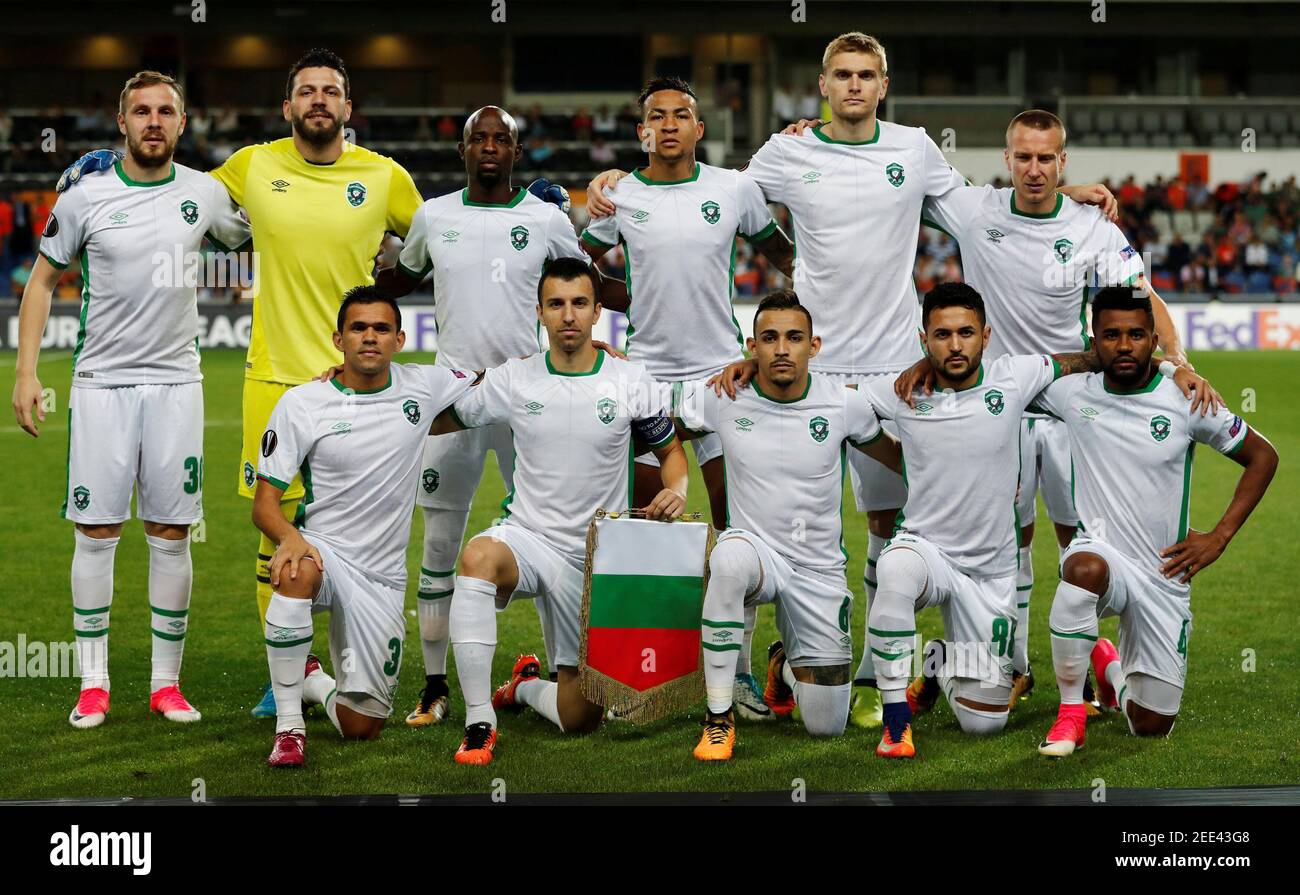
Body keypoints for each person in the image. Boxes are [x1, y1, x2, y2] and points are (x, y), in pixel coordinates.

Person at [597, 33, 1117, 730]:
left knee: (895, 522)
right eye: (842, 74)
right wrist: (615, 185)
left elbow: (977, 209)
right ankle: (757, 669)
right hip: (805, 372)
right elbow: (707, 201)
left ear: (883, 84)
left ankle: (886, 670)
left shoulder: (914, 149)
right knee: (766, 527)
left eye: (866, 75)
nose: (853, 85)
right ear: (822, 84)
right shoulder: (785, 153)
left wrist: (1063, 191)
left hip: (894, 372)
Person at [55, 49, 428, 721]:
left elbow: (434, 246)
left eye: (331, 91)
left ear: (349, 108)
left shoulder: (385, 176)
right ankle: (289, 671)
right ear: (287, 107)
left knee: (362, 528)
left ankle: (356, 661)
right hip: (273, 383)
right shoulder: (251, 166)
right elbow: (168, 188)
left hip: (360, 386)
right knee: (274, 537)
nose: (319, 100)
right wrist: (94, 178)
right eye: (306, 91)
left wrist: (390, 284)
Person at [918, 109, 1195, 703]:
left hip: (1072, 409)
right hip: (997, 408)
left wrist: (1179, 360)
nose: (1035, 168)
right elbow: (897, 183)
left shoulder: (1091, 228)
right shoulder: (976, 210)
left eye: (1047, 159)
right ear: (1007, 159)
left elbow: (1142, 298)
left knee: (1085, 545)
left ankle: (1100, 661)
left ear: (1063, 160)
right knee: (1004, 544)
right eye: (1024, 158)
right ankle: (1011, 664)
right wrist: (814, 130)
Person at [863, 283, 1210, 759]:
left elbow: (1096, 358)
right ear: (924, 339)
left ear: (986, 336)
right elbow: (829, 405)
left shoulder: (1016, 376)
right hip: (925, 548)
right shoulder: (903, 390)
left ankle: (943, 660)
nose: (956, 344)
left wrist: (1175, 367)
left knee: (984, 724)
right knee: (895, 569)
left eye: (966, 332)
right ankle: (895, 723)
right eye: (942, 335)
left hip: (989, 573)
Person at [11, 71, 250, 729]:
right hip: (100, 388)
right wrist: (27, 373)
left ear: (181, 121)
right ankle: (93, 683)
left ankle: (164, 685)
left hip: (178, 386)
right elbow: (39, 284)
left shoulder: (205, 193)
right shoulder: (83, 197)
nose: (153, 120)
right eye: (140, 110)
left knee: (172, 532)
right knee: (96, 532)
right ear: (121, 122)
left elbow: (261, 238)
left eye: (165, 111)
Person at [578, 76, 795, 720]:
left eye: (681, 115)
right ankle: (641, 675)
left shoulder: (732, 189)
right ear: (641, 130)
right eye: (656, 116)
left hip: (720, 378)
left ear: (699, 128)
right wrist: (614, 314)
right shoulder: (620, 197)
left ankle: (744, 675)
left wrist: (794, 329)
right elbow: (580, 272)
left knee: (736, 527)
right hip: (645, 377)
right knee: (648, 530)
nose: (669, 125)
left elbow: (787, 258)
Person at [374, 105, 596, 727]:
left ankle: (562, 674)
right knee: (441, 543)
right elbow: (400, 279)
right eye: (481, 138)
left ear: (517, 153)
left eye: (503, 139)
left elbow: (587, 286)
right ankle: (436, 685)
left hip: (532, 396)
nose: (491, 147)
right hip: (455, 397)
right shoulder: (433, 214)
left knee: (560, 535)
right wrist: (352, 266)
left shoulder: (547, 218)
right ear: (464, 150)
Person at [432, 258, 688, 766]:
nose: (567, 315)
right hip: (529, 540)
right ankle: (480, 721)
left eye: (578, 304)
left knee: (579, 719)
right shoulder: (515, 379)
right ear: (540, 313)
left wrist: (676, 489)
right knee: (478, 559)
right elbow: (443, 416)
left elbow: (672, 454)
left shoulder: (630, 380)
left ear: (596, 312)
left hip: (596, 558)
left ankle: (525, 687)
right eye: (556, 304)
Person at [1034, 287, 1277, 756]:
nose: (1124, 345)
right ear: (1094, 340)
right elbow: (999, 381)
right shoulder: (1070, 393)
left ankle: (1108, 667)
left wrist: (1219, 537)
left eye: (1135, 335)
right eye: (1111, 335)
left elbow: (1263, 457)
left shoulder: (1186, 400)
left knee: (1150, 725)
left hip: (1164, 573)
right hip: (1101, 554)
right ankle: (1070, 713)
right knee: (1080, 572)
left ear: (1152, 339)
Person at [253, 286, 477, 768]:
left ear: (399, 338)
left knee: (362, 727)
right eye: (358, 328)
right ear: (339, 339)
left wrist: (581, 351)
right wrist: (291, 538)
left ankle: (311, 681)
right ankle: (289, 727)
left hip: (381, 579)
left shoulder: (425, 385)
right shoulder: (303, 403)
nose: (369, 337)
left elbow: (495, 380)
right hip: (325, 553)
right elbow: (265, 505)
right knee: (294, 571)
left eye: (380, 329)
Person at [676, 291, 902, 760]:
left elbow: (899, 459)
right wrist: (671, 480)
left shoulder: (844, 405)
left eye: (794, 338)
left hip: (818, 573)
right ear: (751, 346)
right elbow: (657, 424)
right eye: (770, 338)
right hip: (755, 555)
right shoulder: (723, 396)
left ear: (814, 347)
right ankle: (718, 716)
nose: (782, 348)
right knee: (728, 557)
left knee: (825, 725)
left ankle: (781, 668)